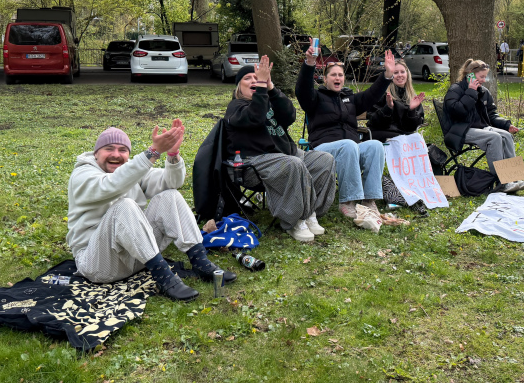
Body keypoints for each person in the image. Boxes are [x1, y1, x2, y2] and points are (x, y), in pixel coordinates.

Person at [66, 125, 236, 302]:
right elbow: (112, 185)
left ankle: (200, 262)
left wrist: (172, 155)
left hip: (137, 258)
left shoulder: (130, 171)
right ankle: (165, 278)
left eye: (122, 150)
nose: (116, 154)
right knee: (124, 206)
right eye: (109, 149)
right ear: (96, 153)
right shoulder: (82, 175)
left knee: (170, 196)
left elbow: (172, 182)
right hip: (98, 264)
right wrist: (153, 152)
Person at [223, 56, 337, 243]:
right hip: (253, 163)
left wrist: (271, 88)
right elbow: (255, 117)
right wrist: (261, 87)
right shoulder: (236, 107)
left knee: (325, 160)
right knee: (293, 163)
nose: (254, 81)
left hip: (287, 154)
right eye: (248, 78)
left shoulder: (267, 100)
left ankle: (311, 213)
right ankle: (294, 221)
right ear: (238, 87)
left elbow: (289, 115)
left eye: (257, 77)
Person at [296, 47, 396, 222]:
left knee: (375, 146)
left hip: (350, 149)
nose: (337, 78)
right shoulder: (315, 98)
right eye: (333, 75)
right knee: (349, 146)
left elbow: (371, 95)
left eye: (340, 75)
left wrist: (387, 75)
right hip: (323, 149)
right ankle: (348, 200)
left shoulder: (350, 99)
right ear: (325, 79)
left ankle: (369, 199)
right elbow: (302, 90)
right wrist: (309, 63)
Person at [443, 59, 524, 193]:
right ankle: (503, 183)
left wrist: (506, 125)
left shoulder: (483, 92)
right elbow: (457, 112)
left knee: (506, 135)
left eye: (485, 77)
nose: (484, 80)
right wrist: (471, 92)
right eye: (481, 76)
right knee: (494, 138)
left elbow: (491, 114)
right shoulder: (456, 89)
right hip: (459, 130)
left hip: (481, 128)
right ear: (470, 75)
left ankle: (515, 179)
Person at [366, 59, 426, 142]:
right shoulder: (381, 94)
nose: (400, 75)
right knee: (404, 139)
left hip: (403, 136)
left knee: (414, 139)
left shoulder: (412, 97)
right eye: (396, 72)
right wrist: (388, 108)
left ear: (407, 74)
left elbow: (412, 128)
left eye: (402, 72)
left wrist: (411, 110)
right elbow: (374, 122)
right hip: (382, 134)